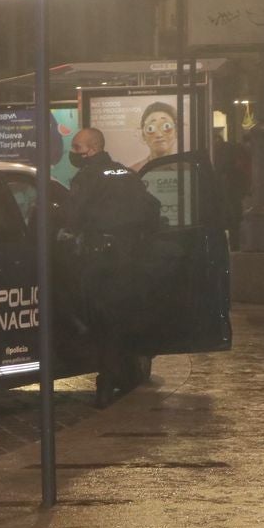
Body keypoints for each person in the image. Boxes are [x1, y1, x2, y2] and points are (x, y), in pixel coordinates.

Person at [62, 127, 162, 408]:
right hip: (129, 258)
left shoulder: (87, 178)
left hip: (99, 260)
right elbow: (152, 209)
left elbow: (72, 217)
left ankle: (106, 383)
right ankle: (125, 373)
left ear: (92, 149)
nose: (74, 153)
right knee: (123, 317)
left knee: (98, 321)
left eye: (77, 148)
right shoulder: (125, 174)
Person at [212, 132, 251, 251]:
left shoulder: (225, 154)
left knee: (231, 219)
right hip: (233, 192)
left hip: (230, 192)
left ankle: (232, 245)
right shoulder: (232, 151)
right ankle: (234, 245)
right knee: (234, 220)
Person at [129, 101, 178, 170]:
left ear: (176, 132)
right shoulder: (134, 171)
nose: (159, 135)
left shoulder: (187, 168)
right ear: (143, 135)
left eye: (166, 126)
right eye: (151, 128)